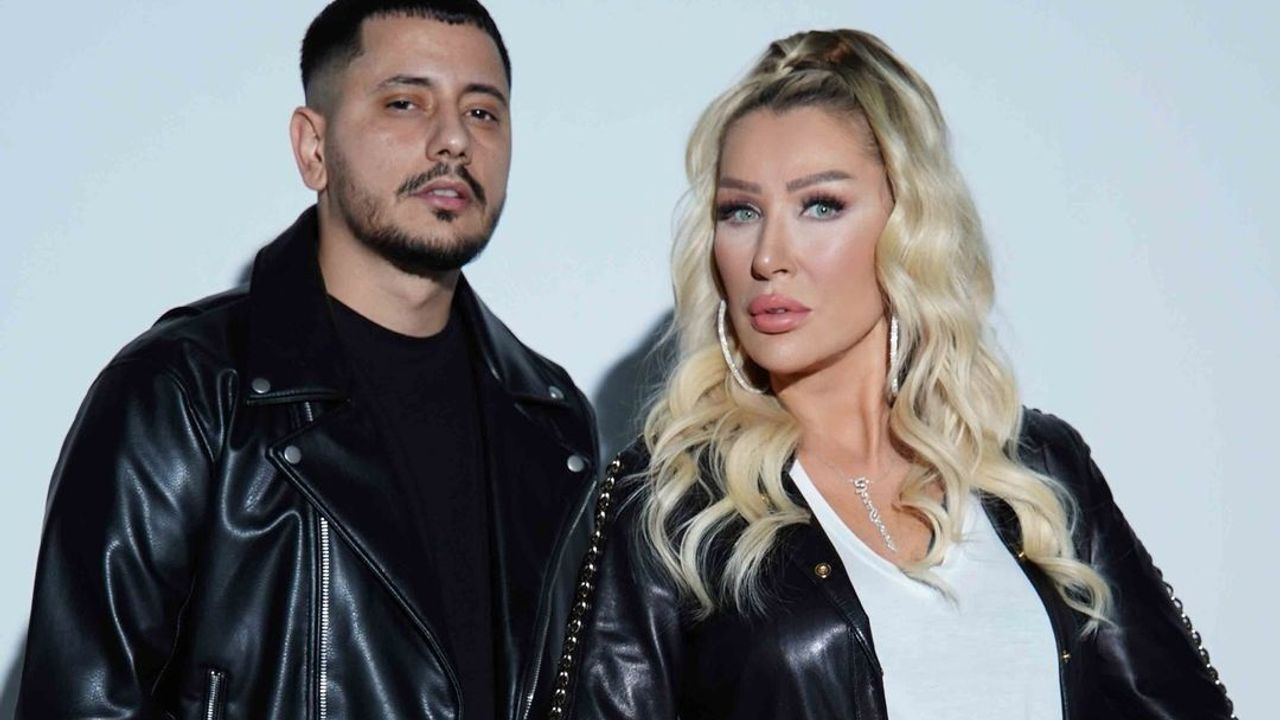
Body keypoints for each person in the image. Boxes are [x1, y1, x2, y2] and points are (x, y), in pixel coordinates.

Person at [549, 29, 1234, 720]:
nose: (768, 256)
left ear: (908, 225)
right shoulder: (672, 503)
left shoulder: (1039, 470)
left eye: (820, 205)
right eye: (741, 211)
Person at [16, 1, 598, 718]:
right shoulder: (184, 392)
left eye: (482, 113)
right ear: (313, 148)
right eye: (405, 103)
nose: (453, 140)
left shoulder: (550, 423)